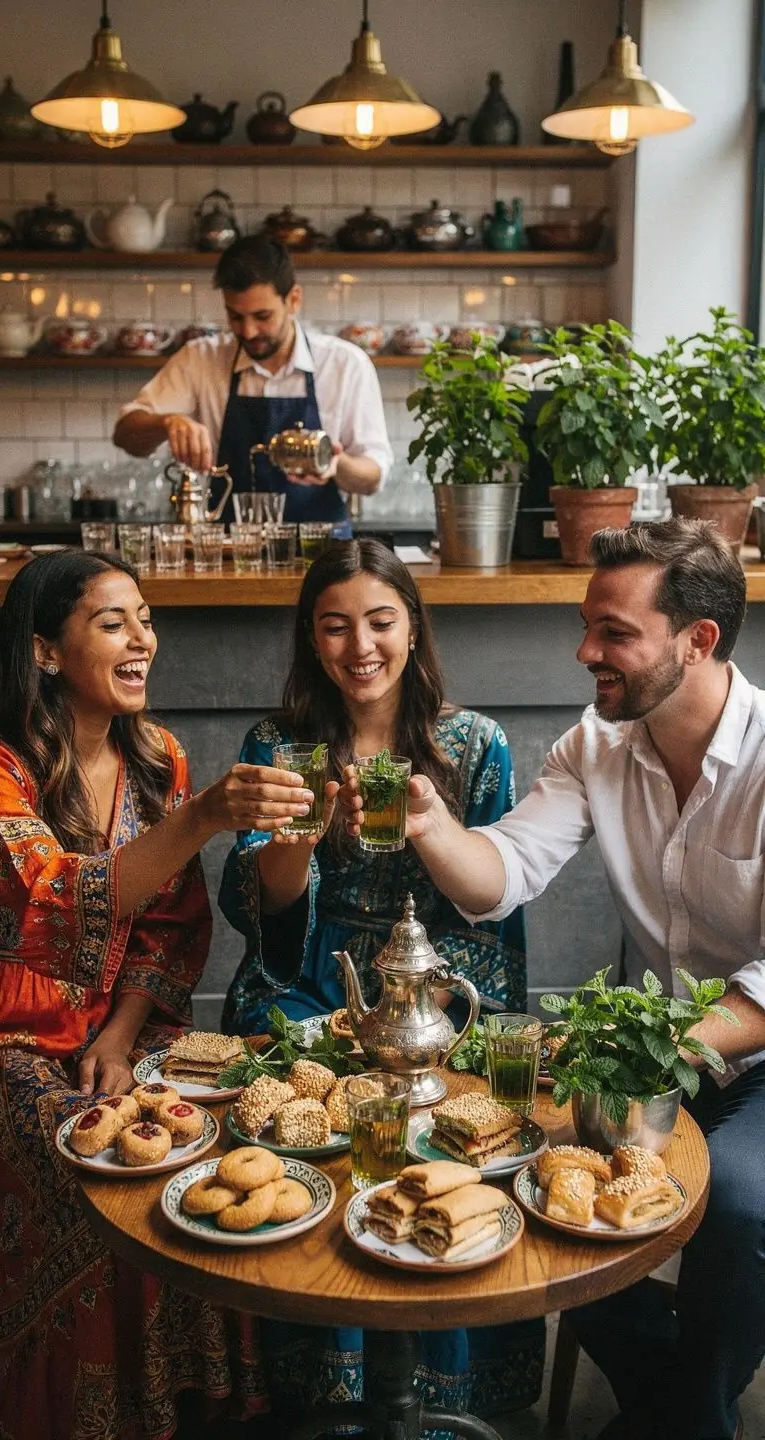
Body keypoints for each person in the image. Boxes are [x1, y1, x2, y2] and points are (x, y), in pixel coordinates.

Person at [341, 517, 764, 1440]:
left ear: (698, 640)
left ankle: (683, 1418)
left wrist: (647, 1055)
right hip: (653, 1055)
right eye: (586, 626)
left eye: (615, 633)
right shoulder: (595, 745)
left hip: (744, 1052)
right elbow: (500, 879)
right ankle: (680, 1416)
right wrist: (429, 823)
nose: (585, 653)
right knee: (520, 1174)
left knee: (737, 1206)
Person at [0, 548, 316, 1440]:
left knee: (214, 1133)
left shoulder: (157, 759)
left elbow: (172, 928)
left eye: (146, 620)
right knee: (95, 1163)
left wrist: (119, 1037)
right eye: (112, 623)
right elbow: (47, 902)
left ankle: (190, 1407)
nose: (142, 639)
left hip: (121, 1028)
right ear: (45, 651)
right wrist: (203, 818)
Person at [220, 539, 542, 1429]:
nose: (359, 647)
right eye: (334, 626)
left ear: (413, 627)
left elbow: (488, 914)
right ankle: (322, 1384)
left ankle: (439, 1394)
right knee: (302, 1102)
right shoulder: (277, 745)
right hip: (310, 977)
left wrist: (417, 1019)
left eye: (380, 621)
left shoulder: (474, 744)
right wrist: (299, 834)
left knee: (441, 1116)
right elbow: (263, 916)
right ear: (310, 638)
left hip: (433, 987)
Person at [113, 235, 393, 527]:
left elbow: (373, 475)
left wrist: (337, 465)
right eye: (235, 317)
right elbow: (125, 435)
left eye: (262, 316)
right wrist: (166, 422)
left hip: (321, 549)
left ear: (293, 300)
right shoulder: (200, 358)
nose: (248, 331)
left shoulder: (345, 364)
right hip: (227, 548)